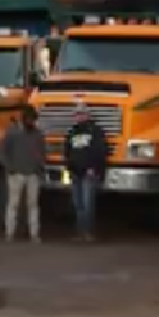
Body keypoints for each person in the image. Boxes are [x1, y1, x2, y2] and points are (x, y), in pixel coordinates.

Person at [62, 101, 110, 242]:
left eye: (81, 114)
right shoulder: (71, 132)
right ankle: (79, 233)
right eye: (77, 114)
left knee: (88, 204)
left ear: (87, 115)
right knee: (78, 205)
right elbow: (67, 152)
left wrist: (94, 168)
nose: (79, 116)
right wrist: (69, 168)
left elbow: (101, 151)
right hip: (75, 173)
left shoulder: (95, 131)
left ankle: (88, 233)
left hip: (89, 173)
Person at [0, 108, 45, 243]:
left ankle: (34, 234)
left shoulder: (38, 134)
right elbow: (2, 153)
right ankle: (9, 233)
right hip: (16, 174)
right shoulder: (12, 132)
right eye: (30, 119)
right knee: (14, 204)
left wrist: (40, 166)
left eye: (33, 120)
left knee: (32, 205)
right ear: (24, 119)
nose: (32, 122)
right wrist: (10, 168)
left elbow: (42, 153)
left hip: (32, 174)